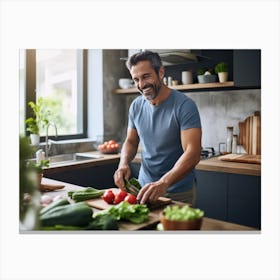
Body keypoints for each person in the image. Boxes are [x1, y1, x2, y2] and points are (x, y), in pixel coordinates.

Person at [114, 50, 202, 205]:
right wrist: (123, 163)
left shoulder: (184, 106)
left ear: (161, 72)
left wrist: (164, 183)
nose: (141, 85)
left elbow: (193, 153)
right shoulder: (136, 106)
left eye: (146, 76)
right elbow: (131, 141)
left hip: (177, 191)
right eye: (136, 79)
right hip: (143, 188)